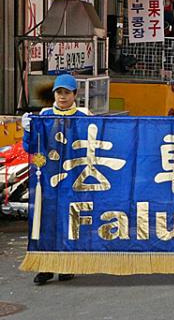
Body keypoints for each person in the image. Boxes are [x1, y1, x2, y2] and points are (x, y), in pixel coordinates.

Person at [21, 74, 86, 285]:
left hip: (74, 180)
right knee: (46, 222)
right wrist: (27, 130)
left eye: (67, 92)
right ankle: (46, 267)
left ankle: (67, 265)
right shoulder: (44, 116)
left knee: (69, 222)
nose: (63, 96)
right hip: (47, 180)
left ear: (75, 94)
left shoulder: (84, 118)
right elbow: (30, 148)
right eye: (59, 92)